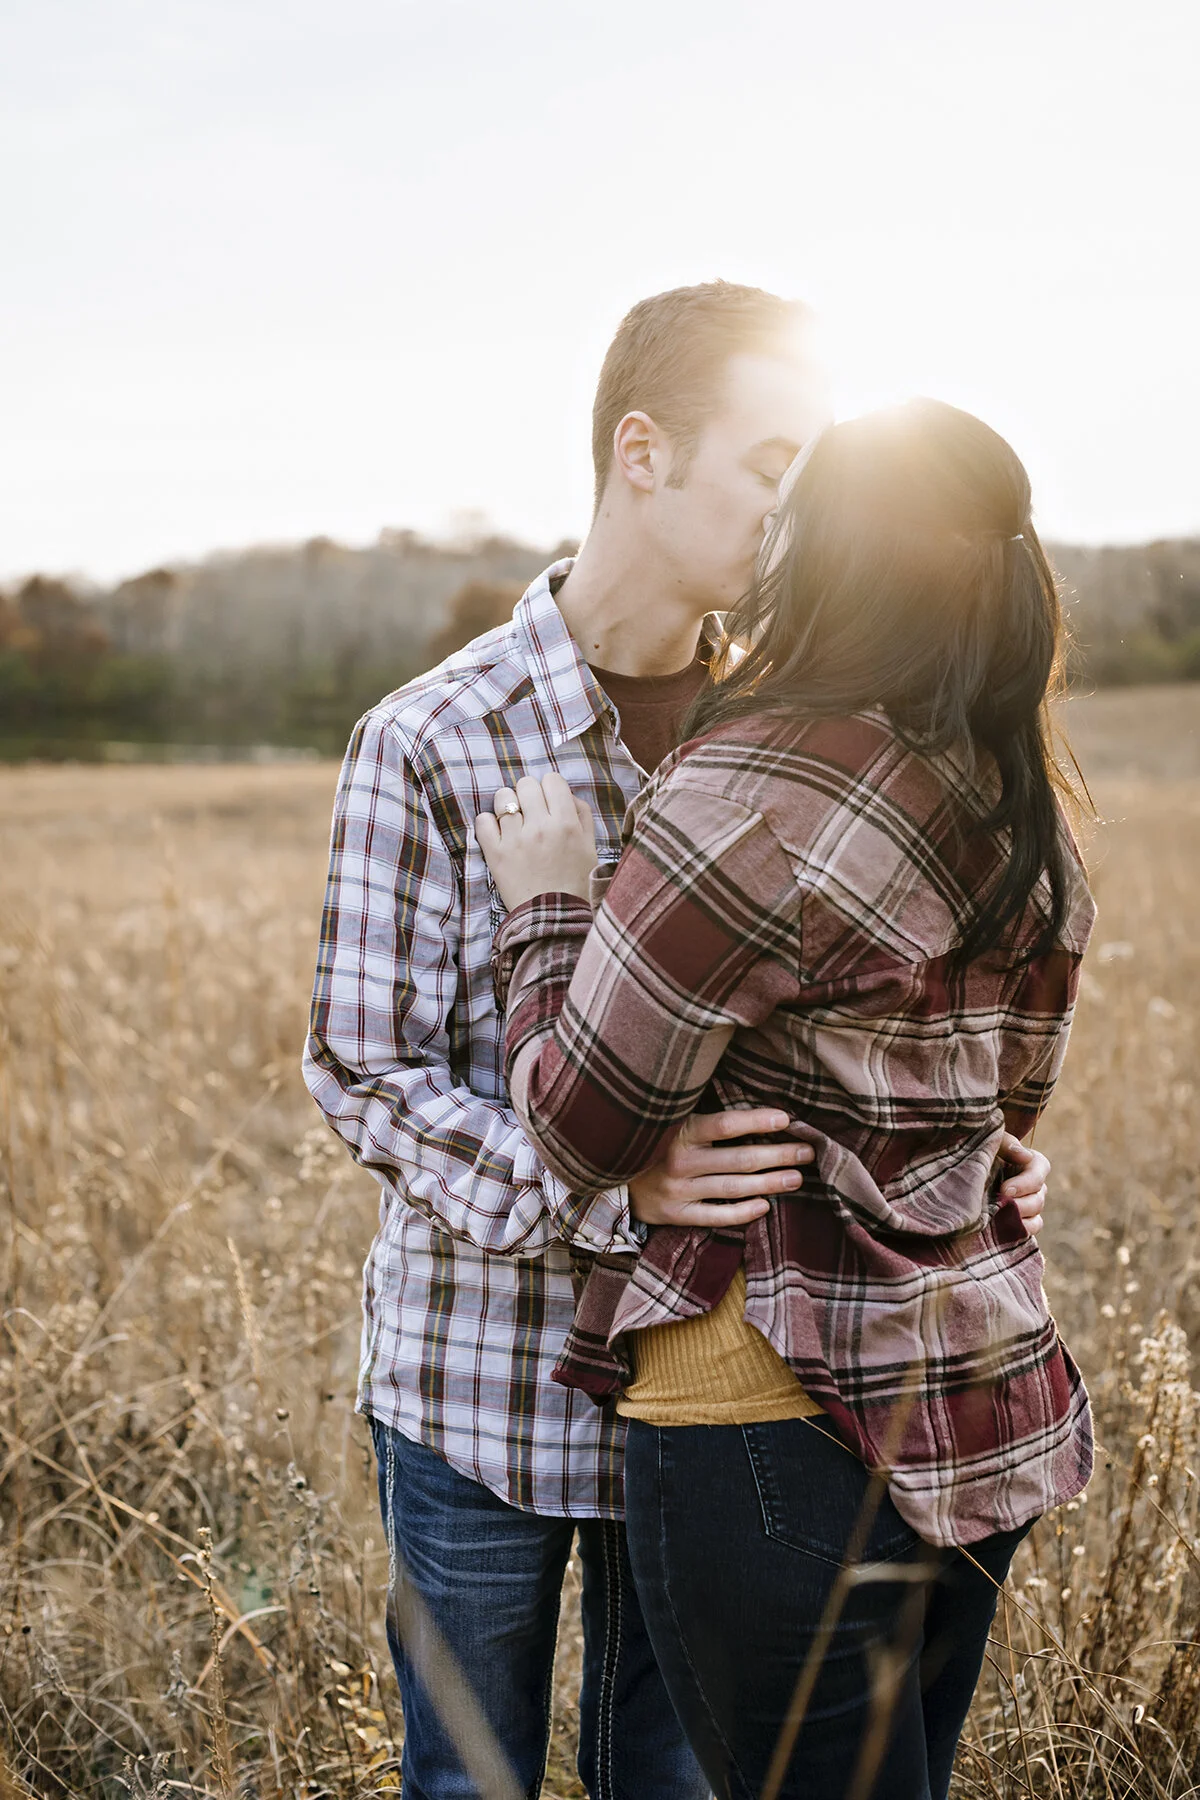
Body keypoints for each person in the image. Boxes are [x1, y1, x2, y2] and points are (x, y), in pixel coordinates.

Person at [303, 285, 1054, 1800]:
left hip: (736, 1402)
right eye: (769, 463)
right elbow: (365, 1069)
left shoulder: (804, 724)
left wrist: (959, 1165)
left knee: (679, 1781)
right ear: (640, 452)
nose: (795, 513)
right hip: (483, 1386)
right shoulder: (433, 736)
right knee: (471, 1781)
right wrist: (610, 1191)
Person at [478, 398, 1094, 1800]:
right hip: (979, 1404)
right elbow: (1010, 1112)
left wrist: (549, 914)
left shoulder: (754, 788)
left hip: (775, 1411)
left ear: (822, 554)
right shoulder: (1021, 798)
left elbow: (581, 1123)